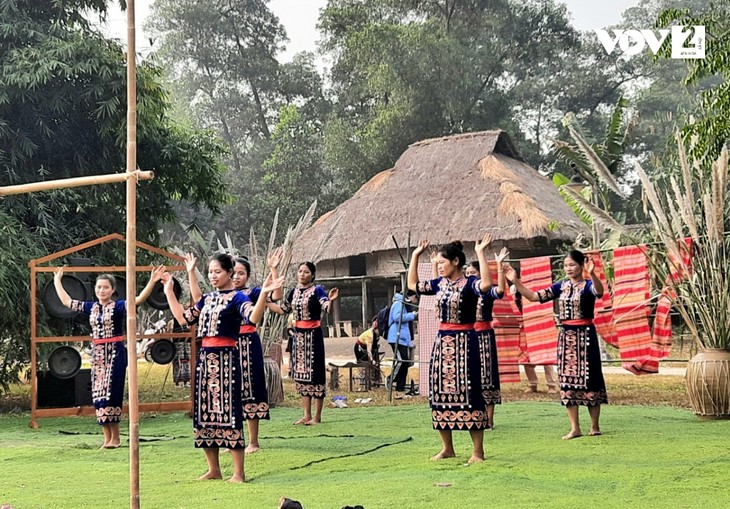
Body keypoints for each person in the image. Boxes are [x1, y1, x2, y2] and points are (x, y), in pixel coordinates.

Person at [162, 253, 283, 482]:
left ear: (229, 272)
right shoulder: (207, 299)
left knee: (229, 412)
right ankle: (214, 469)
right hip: (205, 360)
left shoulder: (238, 298)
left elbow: (253, 317)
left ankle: (238, 472)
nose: (213, 276)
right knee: (205, 413)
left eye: (217, 271)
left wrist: (265, 293)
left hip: (227, 358)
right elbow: (184, 319)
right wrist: (169, 291)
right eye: (210, 272)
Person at [52, 265, 164, 449]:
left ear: (112, 290)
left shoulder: (118, 306)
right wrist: (57, 280)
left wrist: (152, 281)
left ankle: (116, 438)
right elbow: (67, 302)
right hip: (98, 355)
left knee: (112, 393)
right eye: (98, 287)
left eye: (105, 287)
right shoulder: (91, 307)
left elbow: (137, 300)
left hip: (115, 353)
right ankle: (107, 438)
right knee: (98, 395)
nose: (101, 290)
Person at [504, 249, 607, 440]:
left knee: (591, 377)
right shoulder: (561, 286)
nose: (569, 268)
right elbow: (534, 297)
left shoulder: (588, 286)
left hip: (586, 335)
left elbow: (599, 292)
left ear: (581, 265)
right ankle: (575, 427)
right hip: (567, 336)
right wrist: (515, 281)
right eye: (566, 265)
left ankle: (595, 425)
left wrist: (592, 273)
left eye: (572, 265)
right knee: (568, 379)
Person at [407, 237, 494, 463]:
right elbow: (412, 285)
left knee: (471, 392)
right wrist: (416, 255)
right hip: (443, 343)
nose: (440, 265)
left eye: (443, 262)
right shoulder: (439, 284)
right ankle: (448, 448)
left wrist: (480, 252)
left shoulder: (469, 284)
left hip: (466, 342)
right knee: (440, 394)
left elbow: (486, 284)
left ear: (455, 262)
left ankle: (478, 451)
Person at [275, 261, 338, 425]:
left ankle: (317, 416)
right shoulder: (293, 292)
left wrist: (331, 300)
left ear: (313, 275)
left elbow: (326, 308)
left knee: (316, 374)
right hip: (298, 337)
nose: (302, 274)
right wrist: (265, 302)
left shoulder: (317, 290)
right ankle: (306, 415)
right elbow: (283, 310)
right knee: (302, 375)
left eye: (306, 272)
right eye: (300, 271)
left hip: (314, 336)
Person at [465, 236, 509, 429]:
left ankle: (489, 418)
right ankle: (472, 414)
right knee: (469, 374)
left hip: (484, 335)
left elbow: (500, 290)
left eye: (473, 272)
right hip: (469, 335)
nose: (469, 276)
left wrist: (498, 266)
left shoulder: (485, 291)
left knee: (487, 375)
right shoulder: (464, 291)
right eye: (467, 273)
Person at [386, 291, 418, 397]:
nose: (415, 301)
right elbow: (397, 318)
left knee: (405, 362)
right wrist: (412, 315)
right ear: (412, 296)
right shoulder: (399, 303)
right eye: (415, 298)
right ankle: (391, 378)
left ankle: (400, 386)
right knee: (401, 360)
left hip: (403, 339)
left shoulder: (403, 304)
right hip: (396, 337)